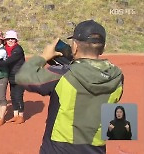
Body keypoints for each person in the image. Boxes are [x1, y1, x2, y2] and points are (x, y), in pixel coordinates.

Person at [15, 20, 124, 154]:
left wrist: (43, 56)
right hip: (95, 148)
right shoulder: (118, 76)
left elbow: (23, 77)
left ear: (75, 46)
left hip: (59, 149)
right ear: (103, 47)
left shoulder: (62, 74)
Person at [0, 30, 25, 124]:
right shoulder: (6, 48)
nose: (10, 41)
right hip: (12, 75)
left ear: (15, 40)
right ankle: (15, 115)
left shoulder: (18, 50)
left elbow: (7, 62)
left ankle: (21, 116)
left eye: (12, 39)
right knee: (13, 96)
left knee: (18, 96)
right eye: (8, 39)